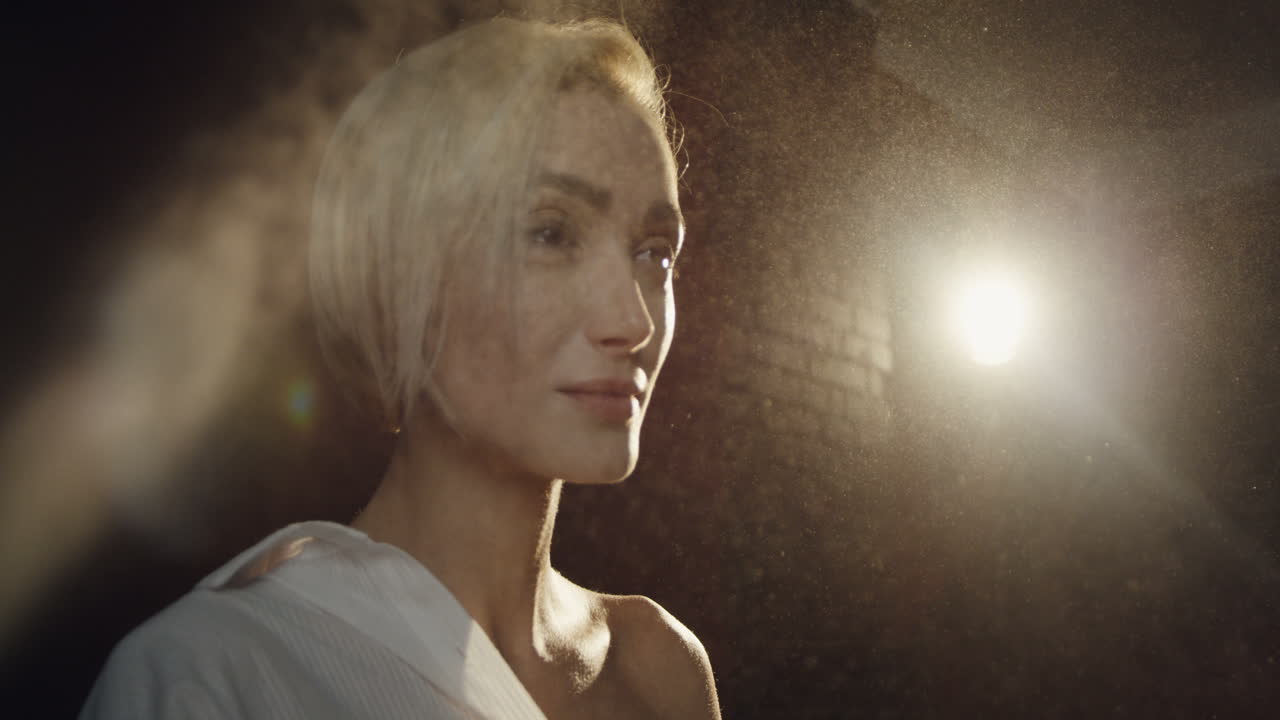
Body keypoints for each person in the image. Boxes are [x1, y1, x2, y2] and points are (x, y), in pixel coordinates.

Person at [80, 16, 721, 720]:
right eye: (550, 232)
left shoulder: (660, 669)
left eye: (655, 252)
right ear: (396, 270)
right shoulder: (214, 672)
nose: (632, 322)